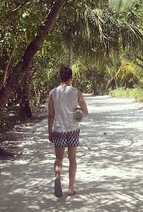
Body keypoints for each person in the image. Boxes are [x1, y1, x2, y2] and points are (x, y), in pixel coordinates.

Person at [48, 66, 88, 197]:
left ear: (60, 77)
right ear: (71, 78)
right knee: (72, 159)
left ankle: (58, 177)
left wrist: (50, 131)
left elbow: (51, 115)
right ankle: (70, 189)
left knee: (59, 158)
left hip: (58, 130)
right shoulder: (76, 92)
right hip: (73, 130)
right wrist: (77, 113)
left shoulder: (53, 93)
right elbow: (85, 112)